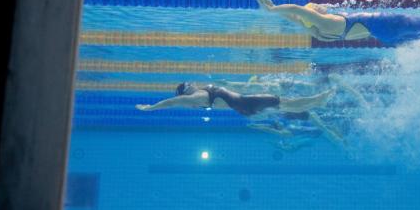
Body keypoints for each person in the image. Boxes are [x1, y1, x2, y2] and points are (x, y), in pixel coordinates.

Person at [255, 0, 420, 74]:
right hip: (388, 24)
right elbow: (296, 10)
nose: (318, 5)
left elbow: (296, 17)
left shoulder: (317, 28)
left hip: (387, 36)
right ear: (313, 12)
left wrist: (275, 10)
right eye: (315, 5)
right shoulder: (324, 21)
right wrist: (272, 9)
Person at [135, 82, 335, 117]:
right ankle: (318, 99)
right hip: (247, 104)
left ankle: (318, 102)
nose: (194, 83)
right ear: (187, 89)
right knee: (286, 102)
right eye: (189, 84)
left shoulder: (203, 99)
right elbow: (171, 102)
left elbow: (226, 101)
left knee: (285, 105)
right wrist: (151, 107)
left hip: (245, 106)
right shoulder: (198, 97)